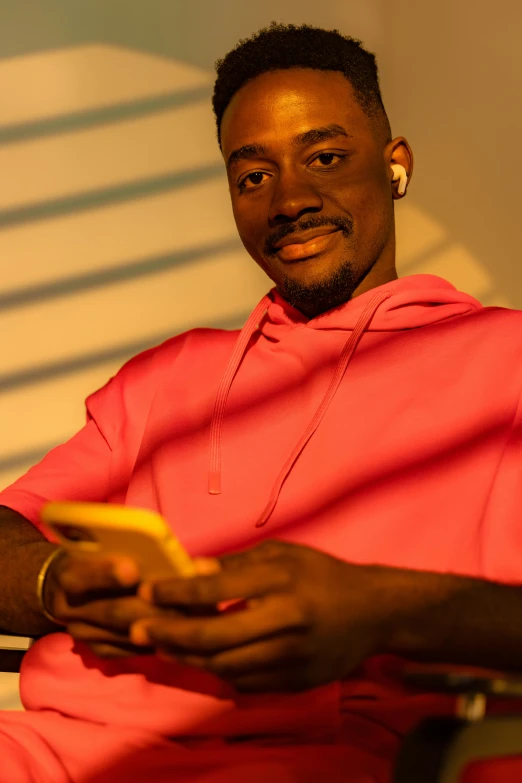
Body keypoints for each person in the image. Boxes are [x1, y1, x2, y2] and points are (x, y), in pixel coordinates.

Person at [0, 21, 521, 783]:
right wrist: (53, 580)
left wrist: (382, 608)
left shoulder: (506, 366)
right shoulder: (165, 378)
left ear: (395, 163)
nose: (290, 199)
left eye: (326, 158)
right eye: (253, 176)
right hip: (53, 749)